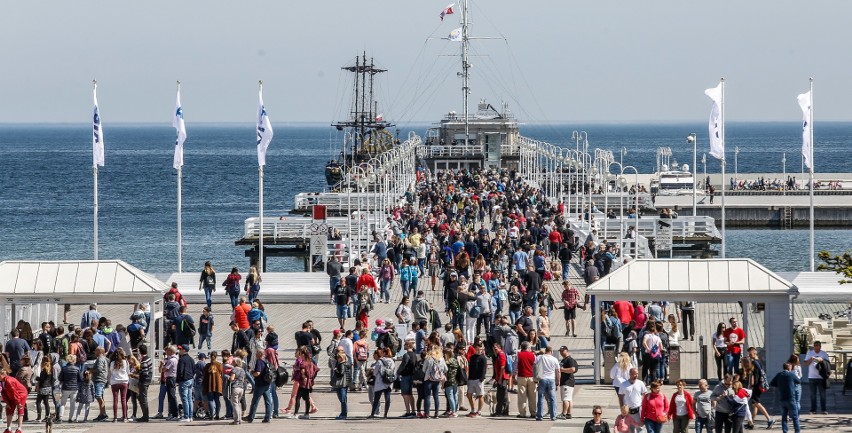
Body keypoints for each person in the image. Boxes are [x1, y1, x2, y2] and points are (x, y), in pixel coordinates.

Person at [770, 362, 801, 433]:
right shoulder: (791, 375)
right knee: (795, 416)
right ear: (789, 367)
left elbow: (772, 383)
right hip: (791, 398)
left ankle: (785, 431)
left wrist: (779, 385)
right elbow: (798, 381)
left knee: (784, 417)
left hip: (782, 398)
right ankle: (797, 431)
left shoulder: (779, 375)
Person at [246, 349, 274, 423]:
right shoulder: (266, 361)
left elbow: (258, 373)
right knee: (268, 401)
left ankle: (250, 417)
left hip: (260, 384)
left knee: (255, 401)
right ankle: (267, 417)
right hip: (267, 384)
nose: (255, 355)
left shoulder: (259, 361)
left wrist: (252, 373)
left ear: (259, 354)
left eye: (256, 353)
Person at [803, 340, 830, 415]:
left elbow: (828, 364)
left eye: (818, 345)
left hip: (821, 377)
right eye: (815, 345)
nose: (816, 347)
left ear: (820, 346)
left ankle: (823, 409)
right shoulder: (810, 353)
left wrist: (821, 360)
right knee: (812, 395)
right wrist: (810, 359)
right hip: (812, 377)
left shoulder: (823, 354)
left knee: (822, 395)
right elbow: (805, 363)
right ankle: (813, 409)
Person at [534, 346, 559, 421]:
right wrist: (558, 382)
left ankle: (539, 416)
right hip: (551, 379)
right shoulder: (554, 359)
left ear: (545, 351)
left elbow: (534, 366)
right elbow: (557, 371)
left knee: (540, 397)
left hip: (542, 379)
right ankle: (553, 416)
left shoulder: (539, 357)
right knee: (552, 398)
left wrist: (535, 378)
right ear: (551, 352)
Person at [422, 345, 447, 418]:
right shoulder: (441, 359)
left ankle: (427, 414)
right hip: (437, 380)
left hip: (428, 379)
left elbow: (424, 369)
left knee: (427, 396)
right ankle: (436, 414)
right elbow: (446, 369)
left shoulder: (428, 358)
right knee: (436, 397)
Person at [0, 367, 29, 433]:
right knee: (9, 409)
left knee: (20, 410)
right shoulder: (2, 381)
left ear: (2, 374)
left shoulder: (9, 381)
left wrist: (18, 403)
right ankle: (8, 428)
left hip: (21, 394)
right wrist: (7, 402)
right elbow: (3, 392)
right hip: (12, 395)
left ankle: (19, 429)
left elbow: (14, 393)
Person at [369, 348, 394, 418]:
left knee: (376, 399)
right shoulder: (391, 360)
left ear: (384, 353)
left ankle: (372, 413)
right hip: (388, 381)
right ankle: (385, 414)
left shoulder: (380, 361)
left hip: (380, 382)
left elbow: (375, 372)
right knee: (387, 398)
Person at [515, 341, 537, 418]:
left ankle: (522, 413)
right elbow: (535, 367)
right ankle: (533, 412)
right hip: (531, 377)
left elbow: (515, 366)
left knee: (522, 396)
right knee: (532, 396)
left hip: (521, 376)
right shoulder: (533, 356)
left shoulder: (519, 355)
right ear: (528, 348)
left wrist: (514, 376)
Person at [109, 348, 130, 422]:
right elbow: (128, 372)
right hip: (124, 381)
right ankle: (124, 417)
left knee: (115, 400)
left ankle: (115, 418)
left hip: (115, 382)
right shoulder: (125, 362)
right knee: (123, 400)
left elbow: (111, 371)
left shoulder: (112, 363)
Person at [466, 342, 487, 418]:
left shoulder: (483, 358)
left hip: (479, 379)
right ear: (475, 349)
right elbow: (470, 368)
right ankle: (473, 409)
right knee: (469, 395)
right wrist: (469, 378)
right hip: (471, 378)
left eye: (480, 349)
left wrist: (481, 379)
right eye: (477, 349)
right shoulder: (472, 357)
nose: (479, 350)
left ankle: (479, 411)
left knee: (480, 395)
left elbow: (484, 369)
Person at [330, 346, 350, 419]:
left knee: (343, 399)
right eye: (338, 357)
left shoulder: (341, 364)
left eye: (339, 357)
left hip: (341, 384)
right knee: (343, 399)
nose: (338, 359)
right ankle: (343, 413)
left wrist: (336, 370)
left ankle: (344, 414)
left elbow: (340, 374)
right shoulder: (343, 364)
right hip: (343, 384)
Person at [202, 351, 224, 420]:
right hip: (217, 385)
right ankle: (217, 415)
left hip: (209, 385)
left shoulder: (207, 366)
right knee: (217, 400)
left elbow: (204, 375)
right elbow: (221, 374)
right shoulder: (219, 365)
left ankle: (211, 415)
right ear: (216, 356)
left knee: (210, 400)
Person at [227, 358, 247, 425]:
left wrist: (228, 377)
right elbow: (243, 380)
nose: (232, 362)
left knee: (235, 404)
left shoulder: (234, 369)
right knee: (238, 404)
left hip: (235, 387)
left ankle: (236, 420)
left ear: (235, 363)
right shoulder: (243, 370)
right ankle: (239, 419)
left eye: (233, 361)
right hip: (241, 388)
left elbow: (232, 378)